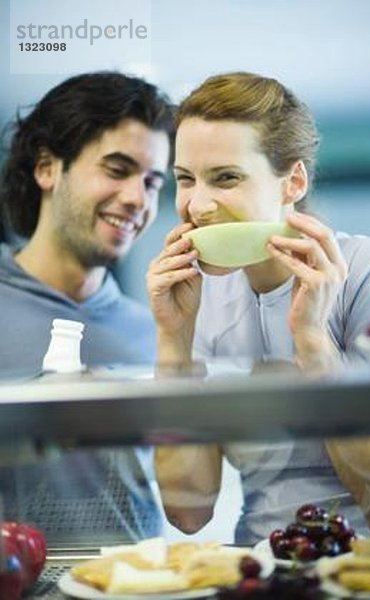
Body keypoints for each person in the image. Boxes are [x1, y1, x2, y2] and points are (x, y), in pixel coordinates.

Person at [147, 72, 370, 544]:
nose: (197, 206)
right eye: (185, 180)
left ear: (293, 182)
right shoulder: (198, 296)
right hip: (258, 562)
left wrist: (313, 343)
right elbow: (188, 511)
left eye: (226, 178)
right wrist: (173, 341)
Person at [0, 71, 174, 544]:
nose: (138, 199)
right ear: (46, 168)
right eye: (117, 170)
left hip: (141, 587)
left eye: (153, 181)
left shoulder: (153, 330)